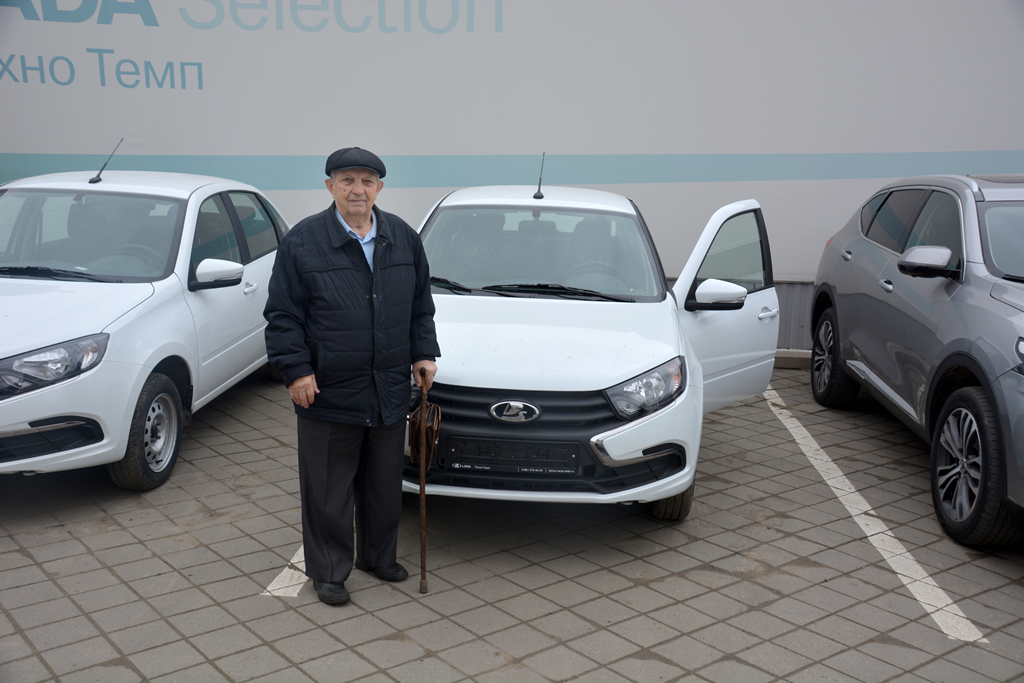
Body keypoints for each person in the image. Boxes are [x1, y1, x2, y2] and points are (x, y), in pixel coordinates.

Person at [264, 147, 439, 606]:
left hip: (387, 389)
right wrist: (297, 371)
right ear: (330, 186)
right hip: (328, 392)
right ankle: (329, 571)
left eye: (367, 181)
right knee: (328, 489)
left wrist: (424, 353)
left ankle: (378, 557)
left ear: (379, 188)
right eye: (347, 180)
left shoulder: (403, 238)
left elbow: (420, 306)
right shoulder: (302, 242)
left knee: (383, 484)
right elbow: (282, 316)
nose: (357, 190)